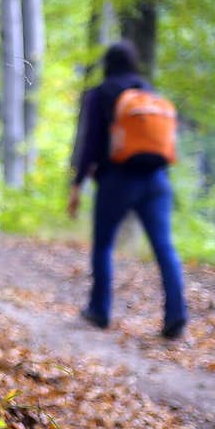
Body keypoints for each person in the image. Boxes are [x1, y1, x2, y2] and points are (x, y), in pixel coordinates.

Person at [68, 41, 188, 339]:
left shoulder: (102, 93)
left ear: (107, 64)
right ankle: (176, 315)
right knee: (164, 247)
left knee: (104, 246)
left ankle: (99, 310)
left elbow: (92, 142)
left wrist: (77, 183)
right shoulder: (148, 91)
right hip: (157, 178)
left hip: (117, 179)